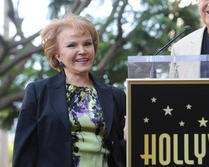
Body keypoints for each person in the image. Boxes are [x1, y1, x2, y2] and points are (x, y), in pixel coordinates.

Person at [12, 12, 126, 167]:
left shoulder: (116, 95)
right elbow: (24, 155)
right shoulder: (38, 92)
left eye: (87, 44)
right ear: (58, 54)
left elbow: (123, 152)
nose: (82, 50)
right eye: (72, 45)